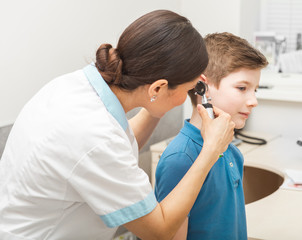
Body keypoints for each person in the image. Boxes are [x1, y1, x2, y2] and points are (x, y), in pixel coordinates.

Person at [0, 10, 235, 240]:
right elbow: (159, 231)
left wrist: (157, 107)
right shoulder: (94, 135)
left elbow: (114, 151)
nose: (187, 97)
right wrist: (211, 150)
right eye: (186, 90)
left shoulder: (74, 86)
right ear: (158, 88)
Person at [155, 32, 268, 240]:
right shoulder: (180, 158)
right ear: (202, 87)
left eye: (255, 91)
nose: (253, 101)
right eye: (242, 88)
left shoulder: (231, 152)